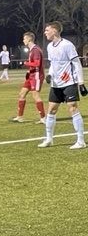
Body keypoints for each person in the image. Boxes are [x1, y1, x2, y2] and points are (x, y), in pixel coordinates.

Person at [38, 21, 87, 149]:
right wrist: (50, 74)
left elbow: (76, 64)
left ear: (54, 31)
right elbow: (53, 64)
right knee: (51, 110)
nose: (45, 33)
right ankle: (49, 139)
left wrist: (81, 83)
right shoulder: (49, 47)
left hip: (69, 82)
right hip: (56, 84)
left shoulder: (67, 45)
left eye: (47, 30)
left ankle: (81, 141)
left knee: (72, 108)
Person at [10, 32, 46, 124]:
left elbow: (37, 64)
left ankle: (43, 118)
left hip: (36, 76)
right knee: (21, 94)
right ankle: (20, 117)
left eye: (24, 39)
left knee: (35, 96)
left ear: (29, 39)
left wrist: (25, 63)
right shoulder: (32, 50)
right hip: (31, 75)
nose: (23, 40)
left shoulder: (36, 50)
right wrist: (29, 71)